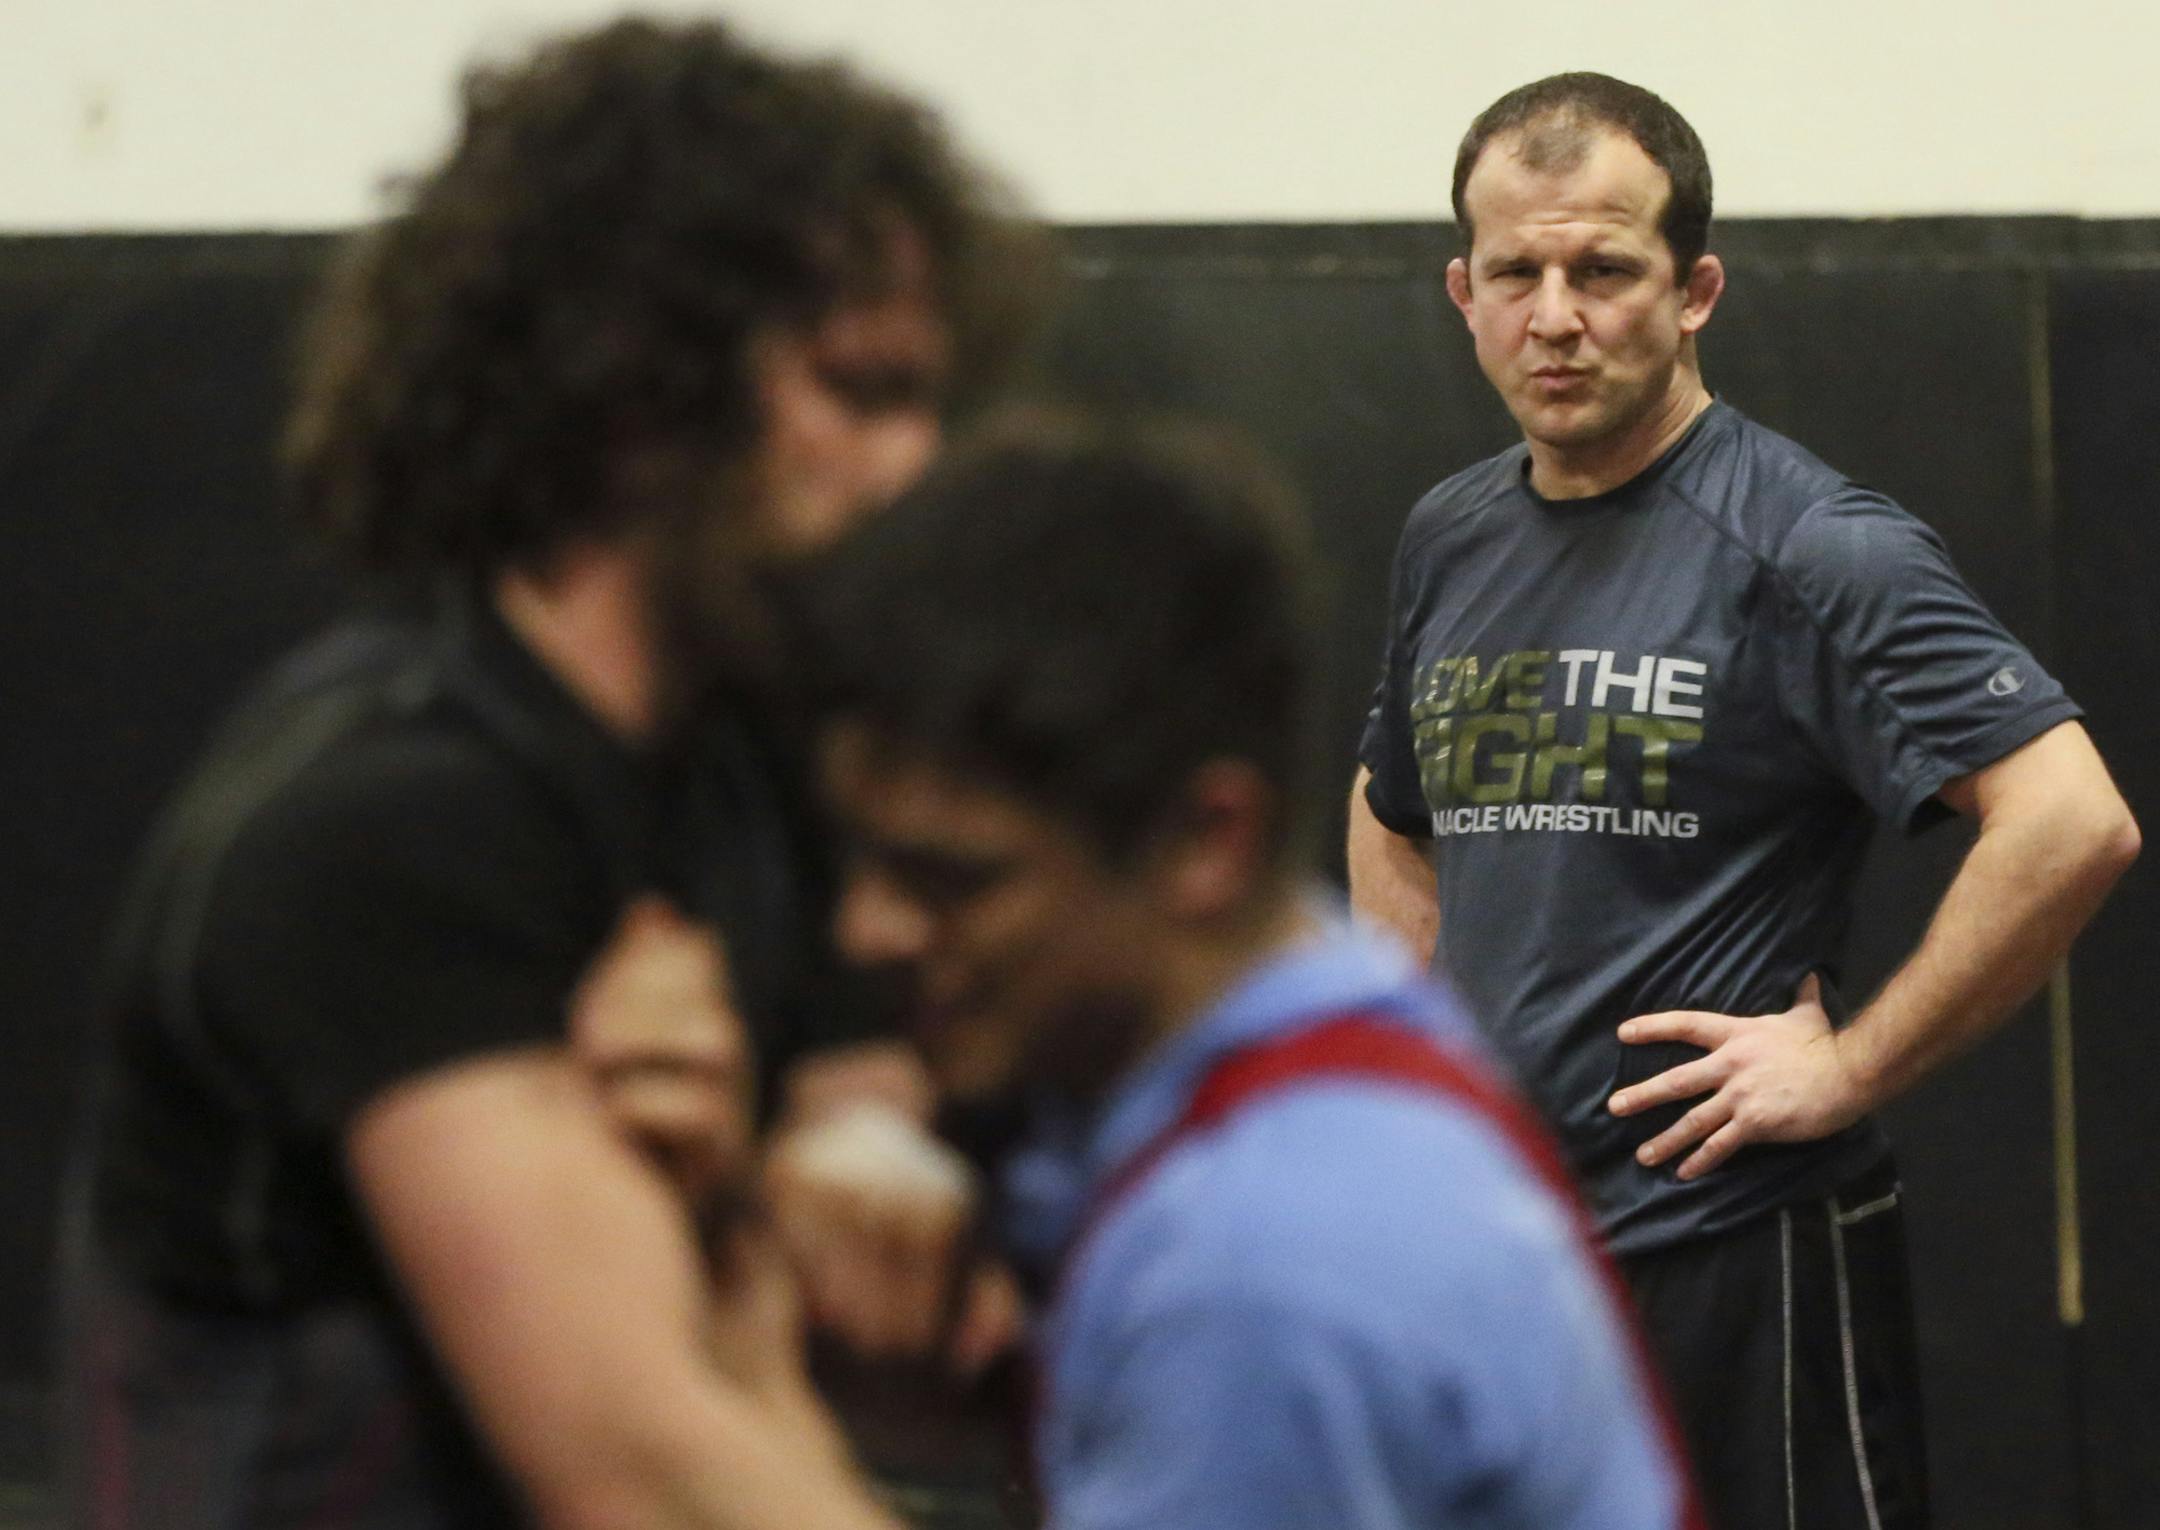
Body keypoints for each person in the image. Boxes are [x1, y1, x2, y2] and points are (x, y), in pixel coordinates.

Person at [59, 17, 1037, 1528]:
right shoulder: (390, 815)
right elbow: (646, 1471)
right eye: (856, 389)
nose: (912, 466)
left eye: (926, 400)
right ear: (640, 389)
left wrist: (806, 1169)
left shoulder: (747, 757)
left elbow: (872, 1201)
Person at [1347, 71, 2140, 1530]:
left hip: (1735, 1251)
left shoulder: (1813, 544)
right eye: (1516, 273)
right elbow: (1395, 808)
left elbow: (2071, 818)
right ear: (1463, 292)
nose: (1556, 315)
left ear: (1696, 287)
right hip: (1510, 1256)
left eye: (1604, 269)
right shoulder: (1451, 533)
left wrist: (1846, 1068)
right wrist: (1418, 1084)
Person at [792, 415, 1704, 1529]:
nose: (866, 931)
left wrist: (730, 1403)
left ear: (1204, 844)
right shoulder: (1351, 1053)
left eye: (955, 883)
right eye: (866, 863)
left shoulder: (1258, 1265)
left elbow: (1249, 1322)